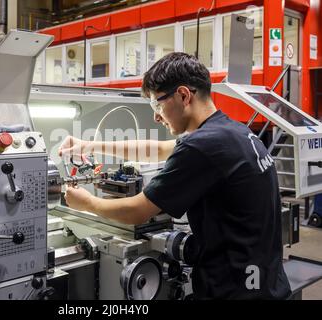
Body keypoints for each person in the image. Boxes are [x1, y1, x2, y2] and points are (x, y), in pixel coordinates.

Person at [59, 52, 291, 299]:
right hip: (267, 283)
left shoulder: (202, 145)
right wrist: (91, 146)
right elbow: (158, 150)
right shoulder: (231, 131)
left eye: (157, 104)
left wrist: (86, 203)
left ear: (183, 95)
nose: (156, 116)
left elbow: (138, 210)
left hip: (235, 290)